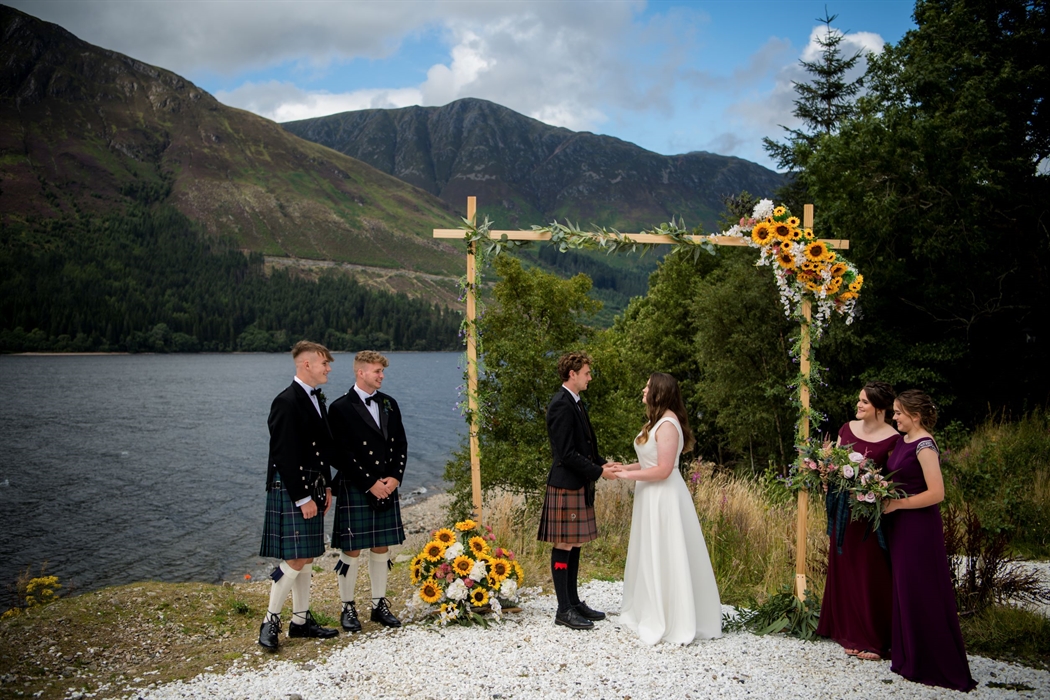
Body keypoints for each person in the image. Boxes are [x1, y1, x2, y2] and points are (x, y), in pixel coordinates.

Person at [614, 372, 722, 644]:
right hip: (650, 495)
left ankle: (673, 616)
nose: (643, 389)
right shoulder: (656, 422)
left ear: (659, 392)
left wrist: (627, 476)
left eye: (648, 386)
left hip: (664, 497)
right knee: (650, 550)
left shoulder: (668, 424)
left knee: (666, 550)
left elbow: (663, 470)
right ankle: (649, 607)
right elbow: (649, 462)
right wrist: (621, 468)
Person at [882, 390, 976, 692]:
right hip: (900, 525)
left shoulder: (924, 445)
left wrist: (898, 504)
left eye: (899, 412)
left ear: (916, 415)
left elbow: (937, 493)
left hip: (919, 527)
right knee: (905, 588)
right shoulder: (902, 441)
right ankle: (910, 656)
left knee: (923, 589)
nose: (894, 417)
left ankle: (934, 662)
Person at [258, 340, 340, 651]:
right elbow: (282, 454)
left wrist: (327, 486)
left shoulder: (315, 399)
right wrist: (302, 498)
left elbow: (324, 449)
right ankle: (270, 621)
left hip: (314, 485)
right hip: (295, 487)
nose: (328, 369)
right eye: (324, 363)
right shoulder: (286, 401)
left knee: (306, 556)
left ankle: (301, 621)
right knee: (295, 558)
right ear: (307, 364)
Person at [816, 381, 900, 661]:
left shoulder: (893, 439)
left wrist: (872, 491)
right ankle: (846, 630)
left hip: (870, 517)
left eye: (865, 401)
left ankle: (873, 637)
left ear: (879, 408)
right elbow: (835, 467)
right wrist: (827, 479)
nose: (859, 405)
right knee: (845, 567)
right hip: (844, 512)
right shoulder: (846, 429)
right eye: (859, 400)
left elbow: (892, 481)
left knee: (869, 573)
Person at [537, 351, 621, 630]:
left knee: (574, 543)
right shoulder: (561, 405)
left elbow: (584, 447)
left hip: (577, 484)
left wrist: (603, 463)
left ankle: (573, 602)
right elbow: (566, 454)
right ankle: (563, 610)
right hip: (566, 484)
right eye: (586, 373)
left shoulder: (575, 402)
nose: (589, 378)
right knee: (563, 544)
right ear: (572, 374)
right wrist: (599, 472)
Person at [327, 350, 408, 632]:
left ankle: (378, 604)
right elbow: (339, 454)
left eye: (382, 371)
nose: (381, 376)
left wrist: (395, 478)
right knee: (351, 548)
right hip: (357, 484)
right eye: (377, 371)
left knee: (381, 545)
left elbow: (400, 444)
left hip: (386, 484)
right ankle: (347, 606)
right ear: (360, 372)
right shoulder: (340, 407)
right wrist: (370, 483)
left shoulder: (389, 404)